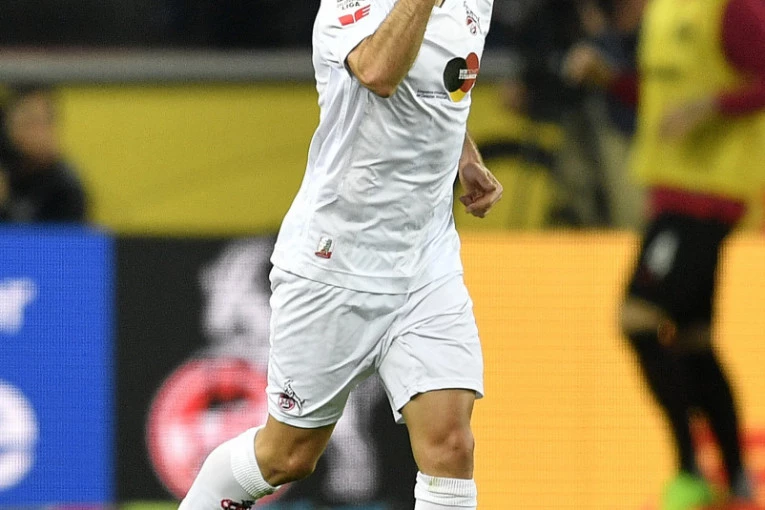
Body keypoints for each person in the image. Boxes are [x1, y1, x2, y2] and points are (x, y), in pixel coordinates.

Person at [179, 0, 502, 508]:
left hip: (426, 260)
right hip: (336, 259)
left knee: (451, 446)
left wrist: (464, 157)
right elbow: (378, 72)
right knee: (286, 457)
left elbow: (442, 85)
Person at [565, 0, 765, 508]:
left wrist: (711, 106)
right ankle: (736, 479)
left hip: (706, 195)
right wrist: (610, 80)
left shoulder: (732, 9)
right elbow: (661, 101)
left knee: (637, 319)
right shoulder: (668, 9)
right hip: (674, 191)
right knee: (693, 337)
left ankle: (689, 466)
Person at [0, 85, 88, 223]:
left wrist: (6, 206)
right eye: (27, 122)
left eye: (40, 122)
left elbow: (64, 233)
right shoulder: (6, 168)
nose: (36, 132)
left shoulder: (64, 187)